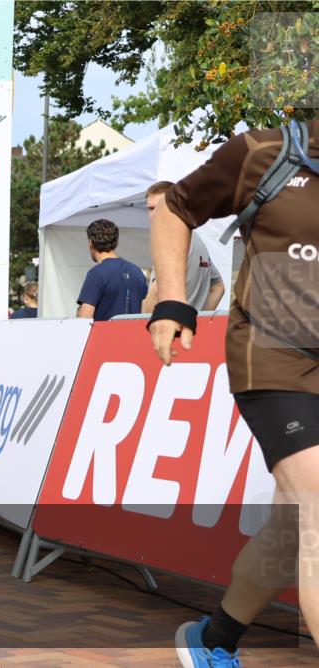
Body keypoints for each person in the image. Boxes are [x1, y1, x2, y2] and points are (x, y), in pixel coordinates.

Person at [148, 118, 318, 668]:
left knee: (292, 531)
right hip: (275, 358)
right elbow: (175, 208)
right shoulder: (265, 151)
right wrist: (174, 300)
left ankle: (213, 639)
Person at [140, 181, 225, 314]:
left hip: (168, 330)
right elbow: (218, 287)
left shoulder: (170, 241)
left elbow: (154, 294)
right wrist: (198, 319)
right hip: (189, 330)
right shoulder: (194, 238)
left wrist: (144, 327)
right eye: (151, 208)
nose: (154, 214)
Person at [76, 218, 148, 321]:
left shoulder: (96, 273)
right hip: (133, 335)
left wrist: (79, 311)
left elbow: (84, 317)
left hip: (106, 336)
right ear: (116, 242)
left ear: (91, 242)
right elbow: (145, 312)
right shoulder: (137, 271)